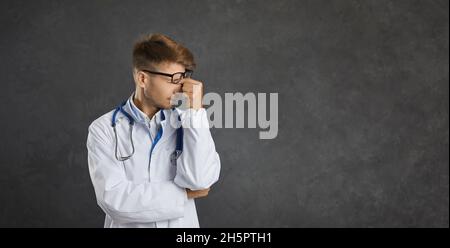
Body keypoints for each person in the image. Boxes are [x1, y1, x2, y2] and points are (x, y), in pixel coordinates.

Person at [86, 33, 221, 228]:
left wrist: (196, 113)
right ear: (142, 78)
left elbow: (200, 181)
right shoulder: (104, 129)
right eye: (173, 79)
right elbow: (114, 200)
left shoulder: (188, 120)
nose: (181, 87)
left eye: (182, 77)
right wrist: (183, 194)